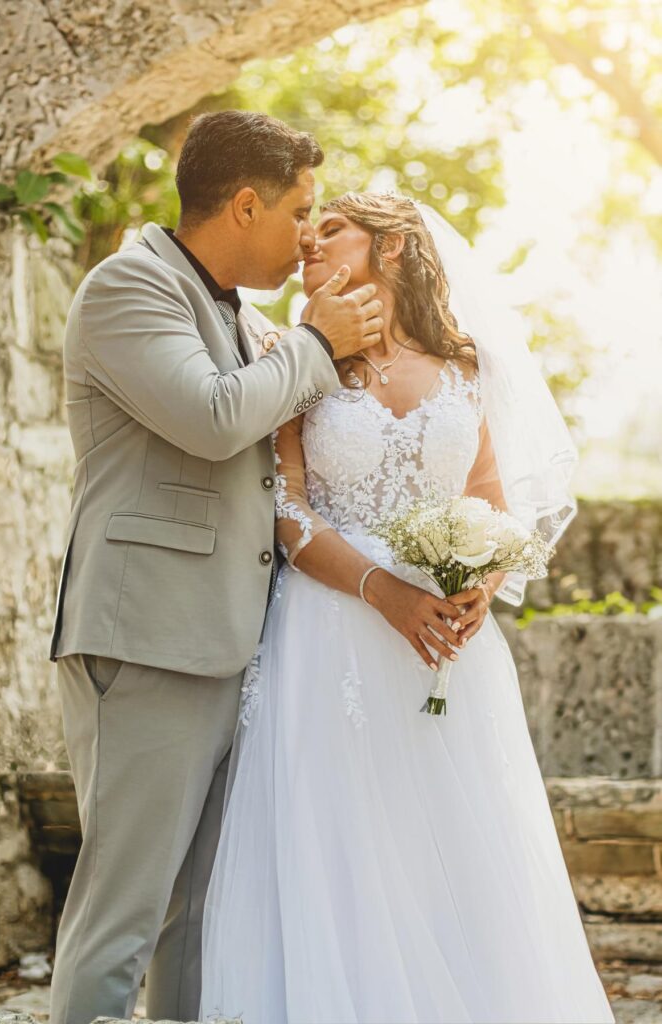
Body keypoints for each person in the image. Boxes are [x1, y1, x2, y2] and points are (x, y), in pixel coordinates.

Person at [200, 191, 615, 1023]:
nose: (310, 243)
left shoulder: (466, 365)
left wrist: (479, 584)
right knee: (344, 847)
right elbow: (288, 511)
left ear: (390, 249)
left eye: (333, 231)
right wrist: (383, 590)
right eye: (307, 232)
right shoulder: (295, 356)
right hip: (331, 632)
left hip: (449, 649)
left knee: (456, 848)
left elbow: (491, 497)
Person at [47, 111, 384, 1024]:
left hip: (224, 643)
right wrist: (316, 346)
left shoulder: (245, 317)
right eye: (300, 211)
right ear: (244, 205)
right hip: (148, 640)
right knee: (125, 916)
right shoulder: (128, 288)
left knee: (194, 917)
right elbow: (210, 416)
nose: (309, 233)